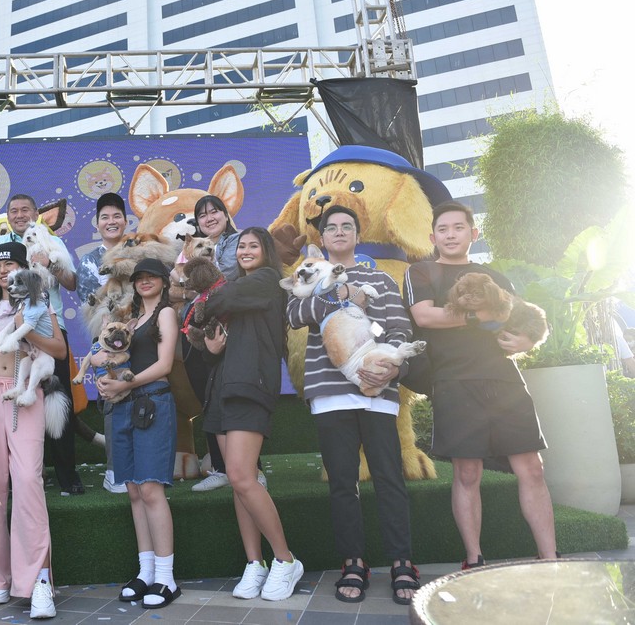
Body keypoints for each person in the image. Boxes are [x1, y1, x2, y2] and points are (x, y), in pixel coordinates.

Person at [404, 201, 558, 568]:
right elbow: (425, 316)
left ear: (474, 233)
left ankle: (550, 557)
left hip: (504, 378)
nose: (451, 234)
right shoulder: (421, 272)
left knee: (532, 467)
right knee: (467, 471)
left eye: (459, 227)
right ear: (432, 237)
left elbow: (524, 319)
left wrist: (526, 341)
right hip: (454, 380)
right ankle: (474, 558)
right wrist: (481, 315)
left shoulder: (495, 276)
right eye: (443, 229)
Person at [284, 206, 419, 605]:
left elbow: (398, 329)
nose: (340, 232)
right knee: (343, 483)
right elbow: (295, 313)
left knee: (389, 478)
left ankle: (401, 563)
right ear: (321, 238)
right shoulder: (309, 271)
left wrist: (392, 371)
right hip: (329, 393)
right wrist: (338, 294)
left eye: (347, 227)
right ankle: (353, 563)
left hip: (378, 391)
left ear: (357, 236)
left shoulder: (379, 277)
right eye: (332, 228)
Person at [0, 241, 67, 619]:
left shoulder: (38, 303)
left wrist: (27, 329)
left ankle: (37, 581)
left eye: (11, 263)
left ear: (24, 267)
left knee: (27, 480)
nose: (4, 270)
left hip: (24, 393)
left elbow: (58, 350)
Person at [200, 227, 304, 601]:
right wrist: (213, 346)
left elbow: (212, 300)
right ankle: (253, 563)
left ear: (266, 252)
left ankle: (285, 559)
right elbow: (211, 322)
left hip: (250, 388)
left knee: (243, 477)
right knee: (238, 480)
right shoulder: (241, 292)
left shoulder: (267, 279)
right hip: (225, 388)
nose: (245, 250)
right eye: (240, 246)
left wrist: (208, 301)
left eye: (252, 245)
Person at [0, 194, 85, 495]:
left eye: (26, 209)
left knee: (57, 397)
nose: (20, 214)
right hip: (9, 327)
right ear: (7, 216)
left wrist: (48, 262)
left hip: (50, 328)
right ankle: (14, 477)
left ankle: (67, 474)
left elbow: (72, 282)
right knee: (15, 402)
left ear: (37, 214)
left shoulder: (49, 240)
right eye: (14, 210)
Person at [96, 258, 181, 609]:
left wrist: (120, 387)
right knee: (132, 489)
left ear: (163, 281)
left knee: (150, 488)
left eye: (151, 277)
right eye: (140, 278)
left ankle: (166, 577)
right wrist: (108, 381)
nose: (145, 282)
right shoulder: (132, 320)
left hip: (154, 404)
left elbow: (165, 365)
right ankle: (146, 572)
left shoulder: (165, 314)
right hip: (126, 407)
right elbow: (117, 360)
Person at [186, 194, 257, 493]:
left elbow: (226, 279)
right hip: (199, 329)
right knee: (207, 398)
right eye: (203, 215)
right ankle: (219, 467)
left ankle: (253, 470)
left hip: (231, 326)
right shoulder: (190, 250)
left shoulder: (239, 240)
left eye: (215, 212)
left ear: (226, 215)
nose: (209, 218)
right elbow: (184, 284)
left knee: (235, 398)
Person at [76, 192, 129, 493]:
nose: (111, 221)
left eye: (116, 216)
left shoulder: (137, 251)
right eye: (105, 217)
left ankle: (140, 466)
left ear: (125, 220)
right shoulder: (89, 261)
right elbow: (91, 305)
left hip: (142, 335)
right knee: (112, 399)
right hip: (107, 340)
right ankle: (114, 470)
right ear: (97, 224)